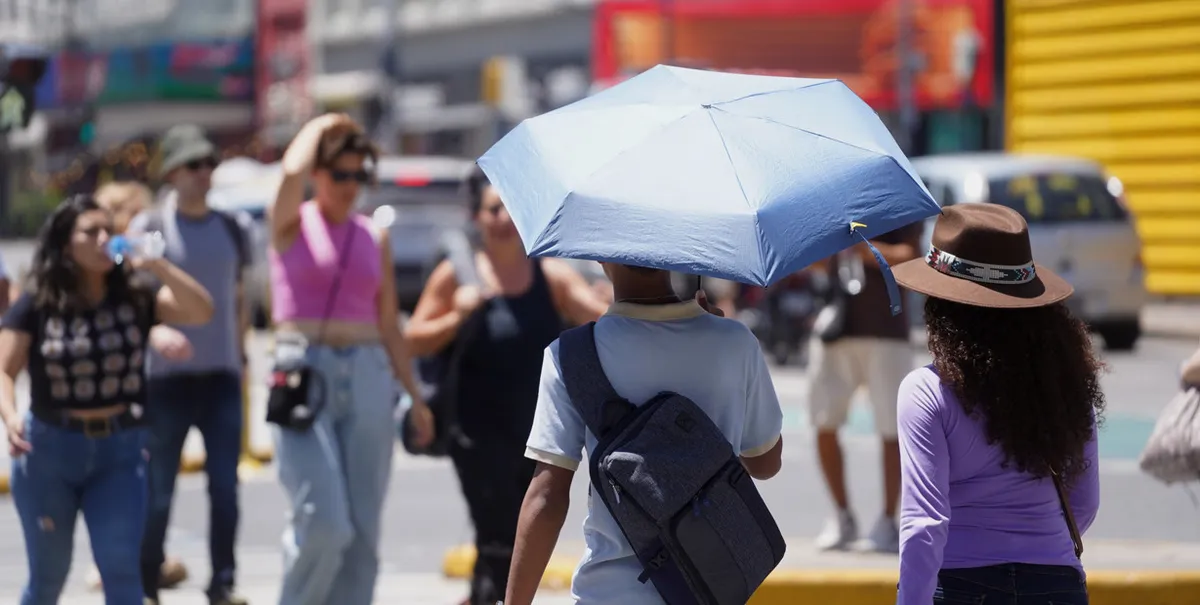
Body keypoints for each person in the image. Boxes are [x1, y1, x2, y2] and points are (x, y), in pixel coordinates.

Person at [503, 264, 784, 605]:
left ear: (602, 255)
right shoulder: (735, 342)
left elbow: (546, 498)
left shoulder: (572, 354)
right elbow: (766, 463)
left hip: (607, 594)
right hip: (708, 588)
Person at [405, 167, 608, 605]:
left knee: (512, 536)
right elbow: (413, 339)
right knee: (498, 534)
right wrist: (457, 314)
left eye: (509, 210)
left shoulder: (548, 275)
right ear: (477, 218)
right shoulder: (457, 276)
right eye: (492, 210)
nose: (502, 218)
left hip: (535, 433)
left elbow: (596, 314)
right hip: (475, 436)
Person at [0, 194, 214, 605]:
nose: (103, 239)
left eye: (108, 231)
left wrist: (157, 265)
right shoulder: (39, 301)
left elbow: (201, 309)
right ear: (66, 244)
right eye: (90, 232)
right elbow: (5, 369)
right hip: (49, 449)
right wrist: (9, 416)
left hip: (119, 451)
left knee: (121, 574)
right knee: (47, 578)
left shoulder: (133, 295)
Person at [892, 203, 1101, 604]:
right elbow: (1084, 505)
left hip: (962, 587)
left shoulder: (925, 392)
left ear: (942, 306)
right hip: (1057, 586)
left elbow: (925, 525)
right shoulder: (1067, 387)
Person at [267, 113, 432, 605]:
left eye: (360, 175)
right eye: (339, 174)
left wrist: (415, 395)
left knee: (362, 534)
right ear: (319, 174)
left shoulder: (372, 235)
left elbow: (388, 323)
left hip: (367, 371)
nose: (350, 186)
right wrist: (320, 124)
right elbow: (288, 174)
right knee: (323, 521)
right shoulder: (291, 224)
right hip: (302, 370)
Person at [130, 125, 256, 605]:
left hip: (221, 378)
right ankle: (146, 583)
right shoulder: (148, 228)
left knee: (225, 488)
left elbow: (240, 299)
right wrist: (152, 333)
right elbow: (129, 296)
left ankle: (222, 581)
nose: (206, 174)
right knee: (158, 489)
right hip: (165, 383)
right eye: (195, 165)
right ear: (172, 172)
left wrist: (242, 354)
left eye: (210, 164)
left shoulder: (233, 228)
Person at [808, 223, 921, 552]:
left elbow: (911, 260)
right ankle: (841, 515)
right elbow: (811, 263)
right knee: (823, 421)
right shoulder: (832, 200)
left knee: (893, 429)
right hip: (836, 326)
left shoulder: (900, 203)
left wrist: (861, 248)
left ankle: (888, 520)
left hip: (886, 328)